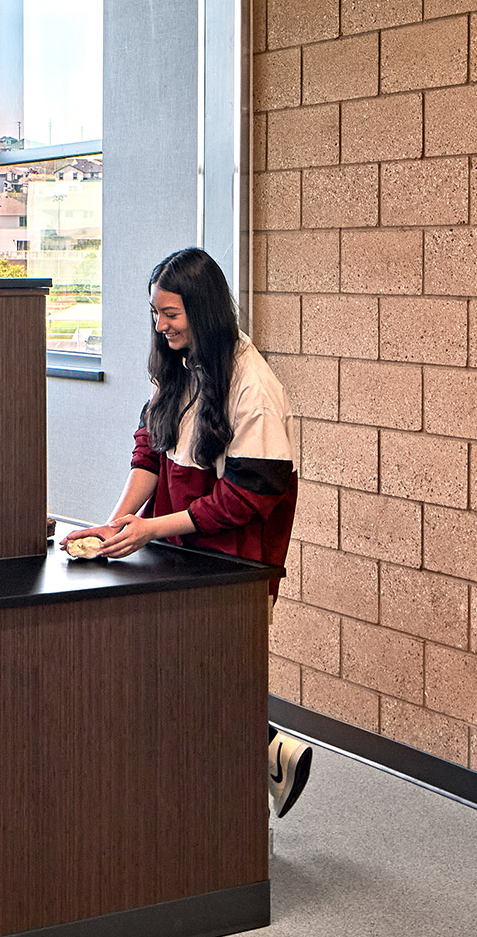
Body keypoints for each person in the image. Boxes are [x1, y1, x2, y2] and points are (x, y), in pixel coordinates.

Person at [85, 246, 317, 818]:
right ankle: (266, 757)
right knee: (184, 679)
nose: (160, 327)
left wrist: (148, 529)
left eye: (171, 315)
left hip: (232, 558)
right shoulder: (176, 363)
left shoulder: (253, 386)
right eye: (154, 314)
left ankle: (256, 772)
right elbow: (151, 451)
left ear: (204, 311)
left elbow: (246, 497)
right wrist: (120, 522)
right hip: (177, 547)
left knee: (206, 681)